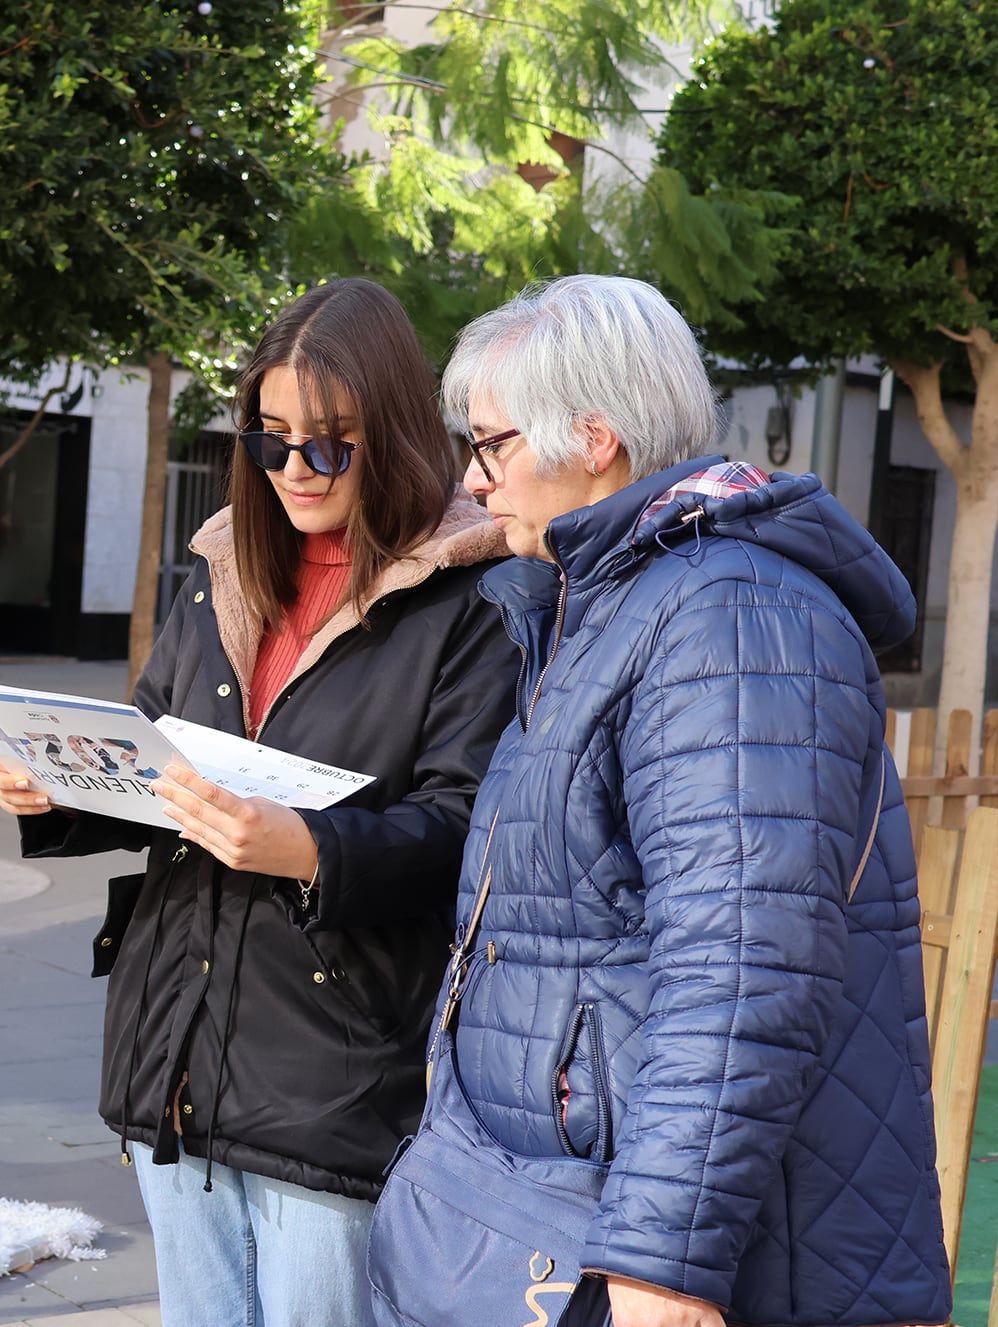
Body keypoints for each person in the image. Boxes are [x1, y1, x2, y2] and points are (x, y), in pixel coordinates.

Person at [396, 273, 950, 1327]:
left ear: (593, 437)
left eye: (491, 445)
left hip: (678, 1256)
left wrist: (661, 1269)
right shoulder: (613, 602)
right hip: (569, 1219)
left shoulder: (728, 616)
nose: (473, 482)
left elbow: (740, 967)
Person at [0, 278, 517, 1324]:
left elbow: (471, 831)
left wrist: (311, 850)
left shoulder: (474, 598)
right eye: (270, 440)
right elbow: (156, 761)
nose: (294, 471)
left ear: (398, 434)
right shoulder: (222, 568)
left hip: (338, 1067)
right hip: (170, 1052)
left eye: (329, 443)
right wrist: (55, 791)